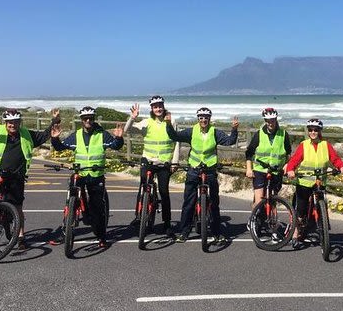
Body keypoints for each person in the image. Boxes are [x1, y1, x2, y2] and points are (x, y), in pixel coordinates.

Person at [0, 99, 57, 251]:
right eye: (9, 122)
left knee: (17, 208)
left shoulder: (26, 135)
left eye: (15, 122)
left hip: (15, 177)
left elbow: (43, 136)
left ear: (19, 122)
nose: (12, 125)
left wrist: (55, 121)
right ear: (4, 122)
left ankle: (20, 237)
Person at [50, 106, 124, 248]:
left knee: (98, 209)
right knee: (70, 200)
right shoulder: (76, 135)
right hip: (80, 173)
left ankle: (101, 237)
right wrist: (55, 139)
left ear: (94, 119)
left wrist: (119, 138)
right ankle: (67, 230)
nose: (88, 120)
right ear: (81, 120)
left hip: (96, 175)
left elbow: (115, 146)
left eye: (90, 118)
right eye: (85, 118)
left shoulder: (101, 134)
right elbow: (60, 147)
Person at [166, 107, 238, 243]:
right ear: (197, 119)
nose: (203, 120)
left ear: (209, 119)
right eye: (201, 118)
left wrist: (234, 129)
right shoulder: (191, 131)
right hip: (194, 169)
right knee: (189, 202)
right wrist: (168, 125)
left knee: (214, 203)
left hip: (210, 169)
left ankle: (217, 233)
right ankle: (184, 232)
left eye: (206, 118)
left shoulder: (215, 132)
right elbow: (175, 136)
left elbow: (229, 141)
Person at [285, 118, 343, 247]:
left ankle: (322, 226)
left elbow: (335, 158)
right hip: (304, 182)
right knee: (300, 211)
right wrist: (290, 169)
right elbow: (295, 160)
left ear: (319, 131)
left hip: (319, 182)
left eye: (316, 130)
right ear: (308, 132)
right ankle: (295, 233)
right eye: (311, 130)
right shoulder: (304, 145)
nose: (313, 132)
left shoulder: (326, 145)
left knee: (321, 205)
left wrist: (341, 166)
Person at [123, 95, 179, 236]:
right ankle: (138, 216)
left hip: (164, 163)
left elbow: (177, 141)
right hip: (148, 160)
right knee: (143, 187)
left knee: (164, 192)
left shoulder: (171, 121)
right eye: (155, 107)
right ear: (152, 109)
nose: (158, 109)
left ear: (163, 106)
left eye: (160, 106)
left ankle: (167, 223)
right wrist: (132, 118)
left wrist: (175, 161)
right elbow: (127, 130)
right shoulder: (146, 122)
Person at [245, 107, 292, 212]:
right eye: (268, 121)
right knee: (259, 202)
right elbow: (249, 153)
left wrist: (286, 165)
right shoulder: (259, 134)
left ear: (276, 119)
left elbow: (288, 152)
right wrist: (249, 169)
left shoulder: (283, 134)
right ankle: (254, 221)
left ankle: (272, 223)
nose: (270, 123)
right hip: (260, 170)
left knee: (273, 200)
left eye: (273, 120)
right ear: (265, 121)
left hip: (276, 171)